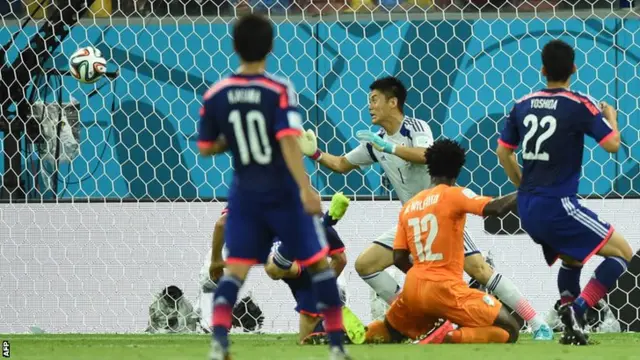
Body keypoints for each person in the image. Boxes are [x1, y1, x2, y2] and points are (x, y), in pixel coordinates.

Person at [298, 76, 551, 339]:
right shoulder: (376, 143)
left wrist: (390, 147)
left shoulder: (414, 128)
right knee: (365, 265)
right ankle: (415, 317)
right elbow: (340, 164)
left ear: (393, 102)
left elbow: (425, 154)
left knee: (479, 270)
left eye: (374, 100)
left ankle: (537, 322)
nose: (369, 106)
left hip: (442, 216)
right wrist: (314, 153)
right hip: (411, 220)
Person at [197, 14, 349, 360]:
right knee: (319, 265)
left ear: (234, 46)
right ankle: (337, 347)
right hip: (282, 193)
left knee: (234, 269)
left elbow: (206, 148)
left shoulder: (217, 93)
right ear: (271, 47)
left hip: (245, 193)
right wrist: (307, 187)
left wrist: (231, 140)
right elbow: (288, 140)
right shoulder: (278, 90)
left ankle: (219, 342)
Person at [496, 39, 634, 345]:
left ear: (542, 69)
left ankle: (572, 322)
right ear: (574, 69)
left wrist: (524, 188)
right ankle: (579, 310)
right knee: (623, 253)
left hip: (529, 207)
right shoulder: (578, 103)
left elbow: (504, 154)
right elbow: (612, 145)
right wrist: (611, 118)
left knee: (573, 260)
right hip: (558, 205)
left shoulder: (522, 104)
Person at [365, 138, 520, 345]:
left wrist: (421, 281)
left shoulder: (410, 206)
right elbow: (495, 208)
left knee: (393, 331)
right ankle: (448, 337)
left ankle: (353, 334)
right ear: (458, 169)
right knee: (509, 328)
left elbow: (399, 256)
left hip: (413, 287)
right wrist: (528, 190)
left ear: (429, 168)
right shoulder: (454, 194)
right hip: (445, 288)